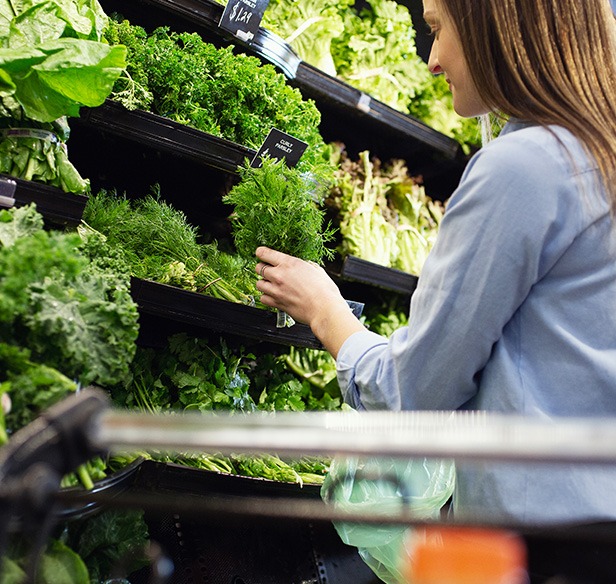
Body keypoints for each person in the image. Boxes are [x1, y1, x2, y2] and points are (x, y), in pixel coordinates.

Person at [255, 0, 616, 576]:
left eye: (438, 29)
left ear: (492, 29)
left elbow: (414, 392)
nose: (432, 59)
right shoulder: (597, 157)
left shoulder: (523, 167)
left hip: (540, 551)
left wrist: (325, 312)